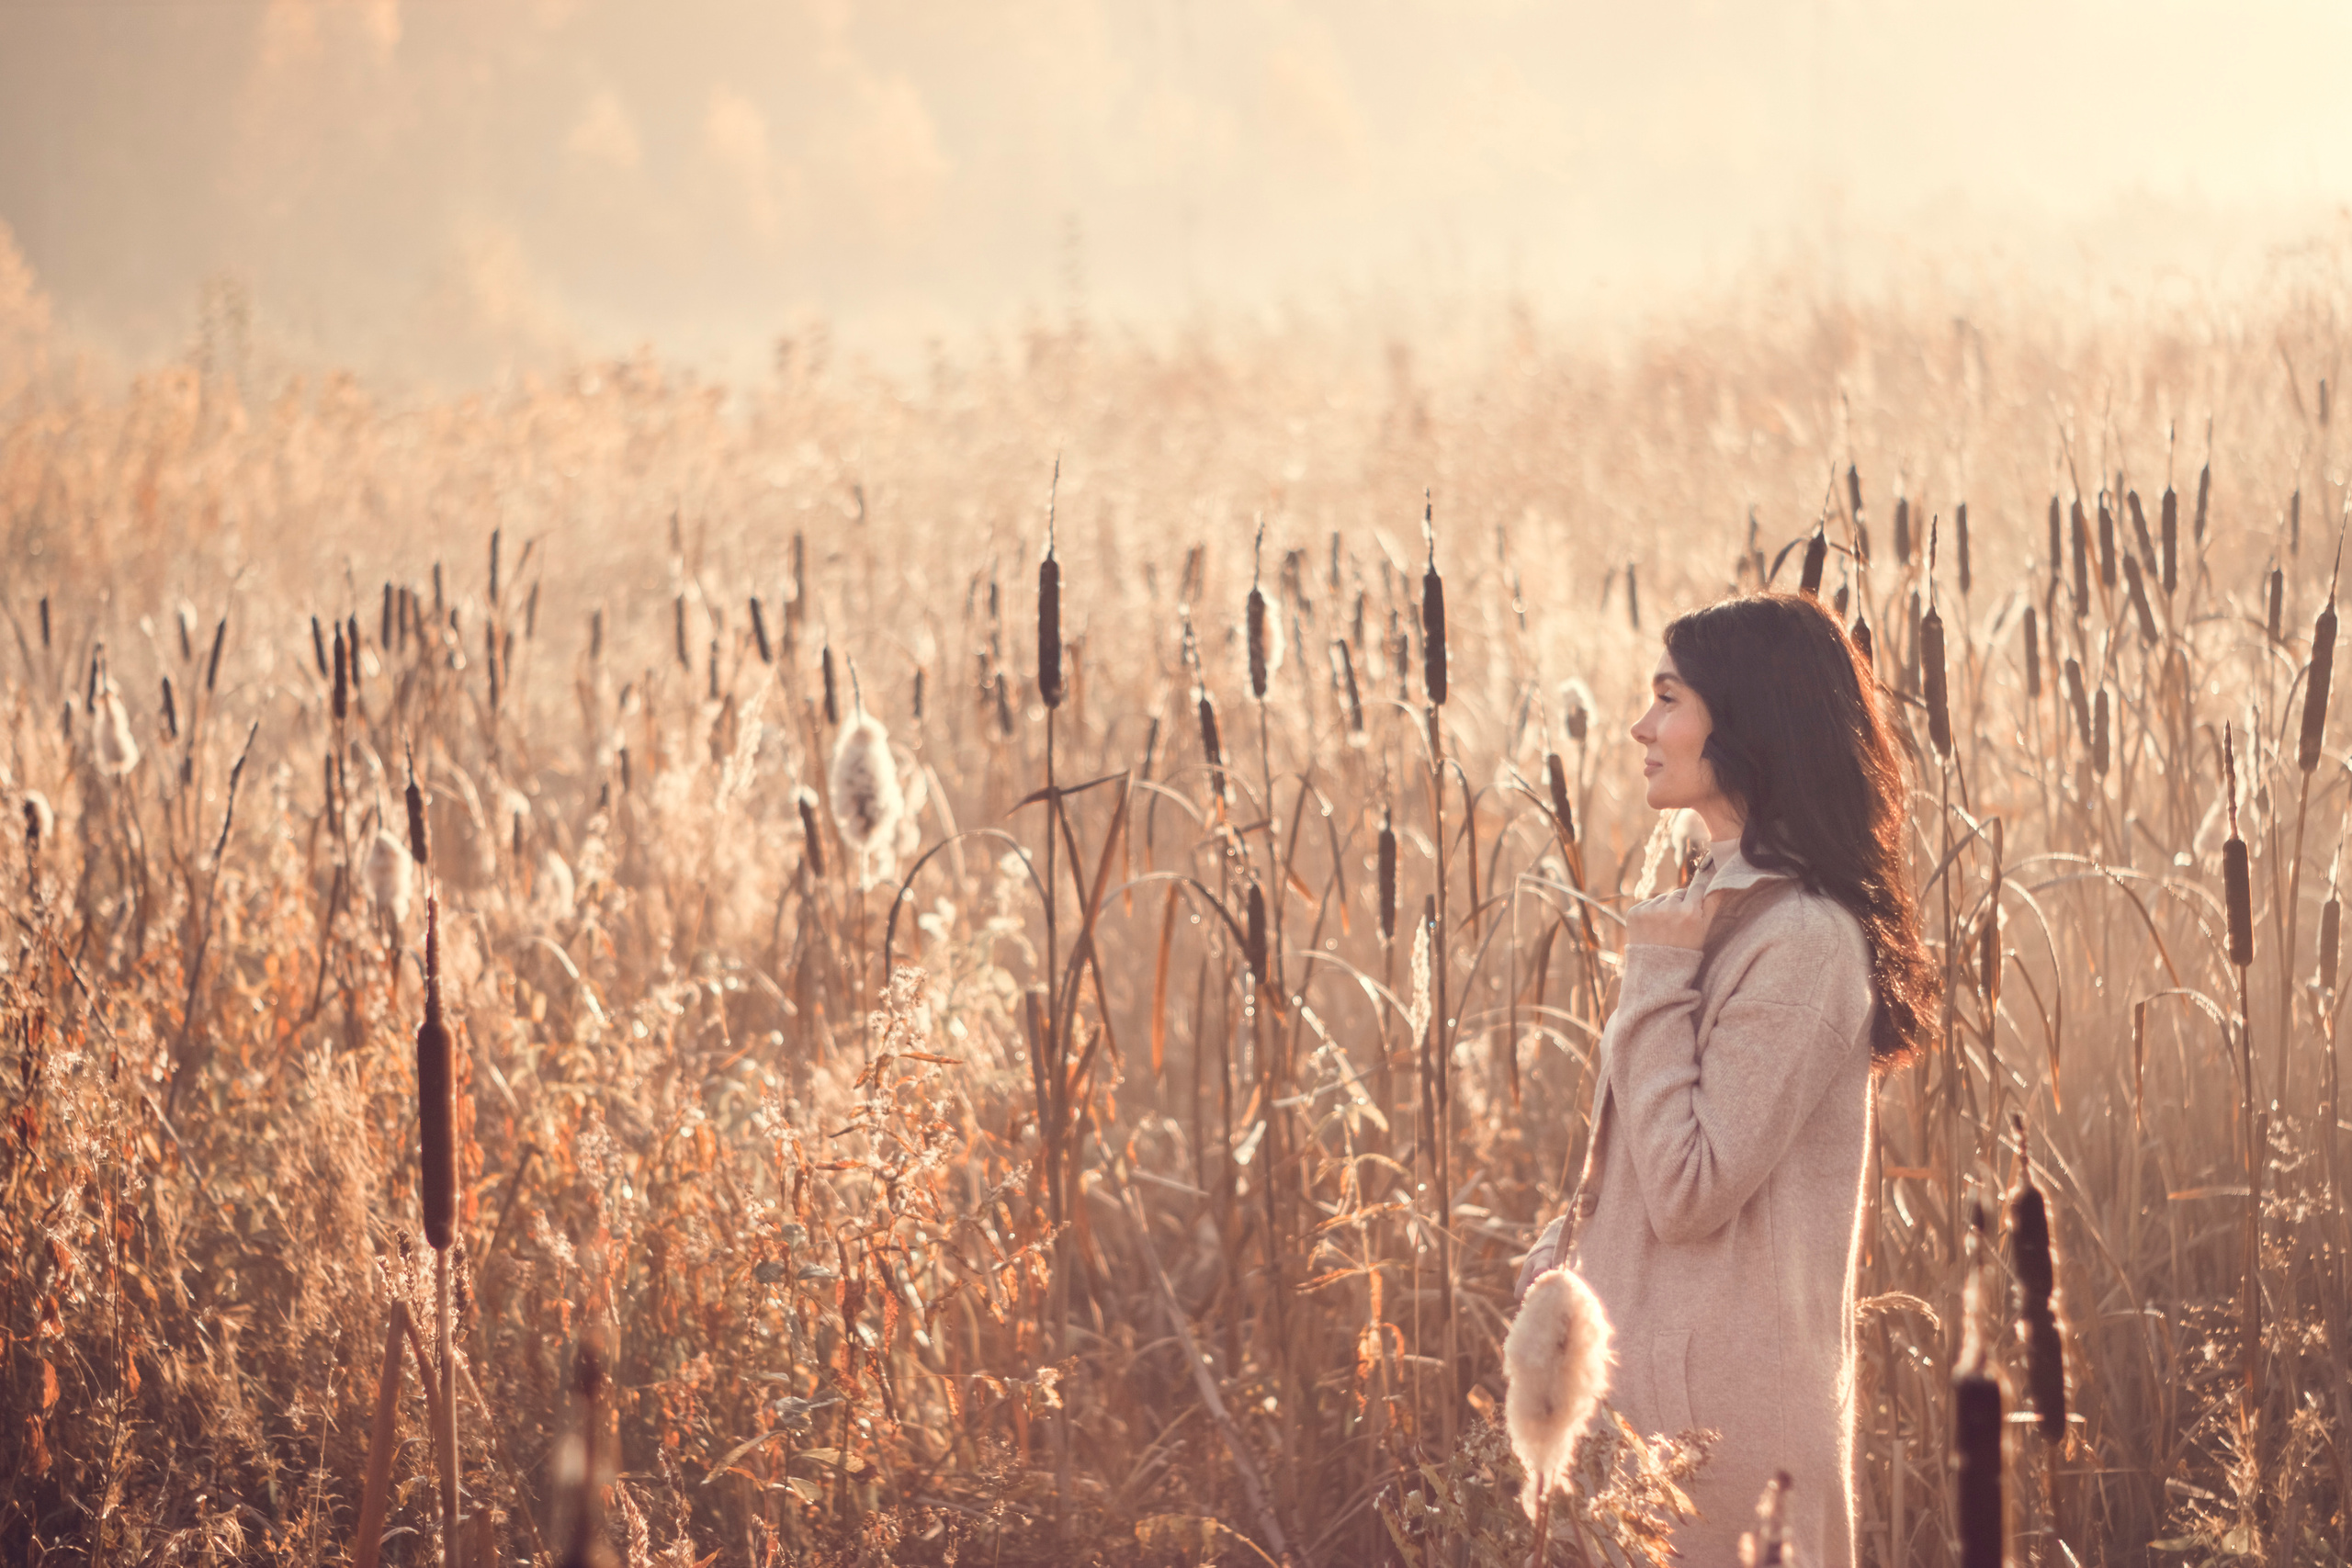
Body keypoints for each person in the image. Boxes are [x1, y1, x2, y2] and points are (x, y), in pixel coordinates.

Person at [1514, 592, 1934, 1568]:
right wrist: (1571, 1250)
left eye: (1668, 700)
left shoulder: (1803, 942)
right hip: (1649, 1421)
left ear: (1743, 723)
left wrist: (1656, 978)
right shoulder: (1712, 901)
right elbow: (1654, 1157)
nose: (1641, 728)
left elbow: (1693, 1188)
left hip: (1728, 1449)